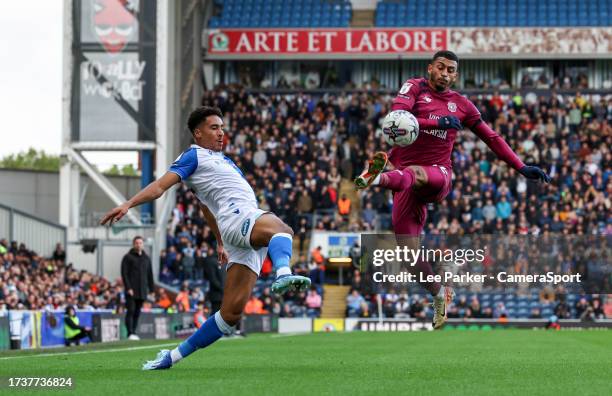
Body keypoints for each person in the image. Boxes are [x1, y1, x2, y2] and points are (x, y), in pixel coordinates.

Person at [101, 106, 310, 370]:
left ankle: (171, 357)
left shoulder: (222, 160)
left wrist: (220, 242)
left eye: (222, 127)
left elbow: (205, 207)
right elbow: (159, 186)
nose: (221, 133)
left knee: (230, 315)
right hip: (240, 218)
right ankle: (282, 274)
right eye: (214, 128)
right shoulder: (193, 156)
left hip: (235, 230)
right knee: (283, 230)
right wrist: (128, 204)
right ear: (198, 133)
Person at [355, 50, 550, 330]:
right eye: (441, 68)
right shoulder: (414, 87)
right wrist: (436, 122)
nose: (445, 74)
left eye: (451, 70)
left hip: (437, 175)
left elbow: (491, 137)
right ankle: (438, 294)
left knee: (413, 174)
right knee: (409, 256)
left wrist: (520, 166)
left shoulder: (462, 105)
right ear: (430, 68)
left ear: (455, 75)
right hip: (405, 181)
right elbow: (397, 117)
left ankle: (376, 179)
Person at [121, 235, 155, 340]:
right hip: (131, 290)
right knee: (131, 310)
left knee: (137, 312)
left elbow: (150, 274)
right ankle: (130, 332)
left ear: (143, 244)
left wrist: (152, 289)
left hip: (142, 290)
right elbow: (124, 274)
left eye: (140, 243)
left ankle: (134, 332)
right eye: (137, 243)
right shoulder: (128, 257)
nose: (138, 245)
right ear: (133, 244)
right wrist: (128, 288)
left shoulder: (146, 258)